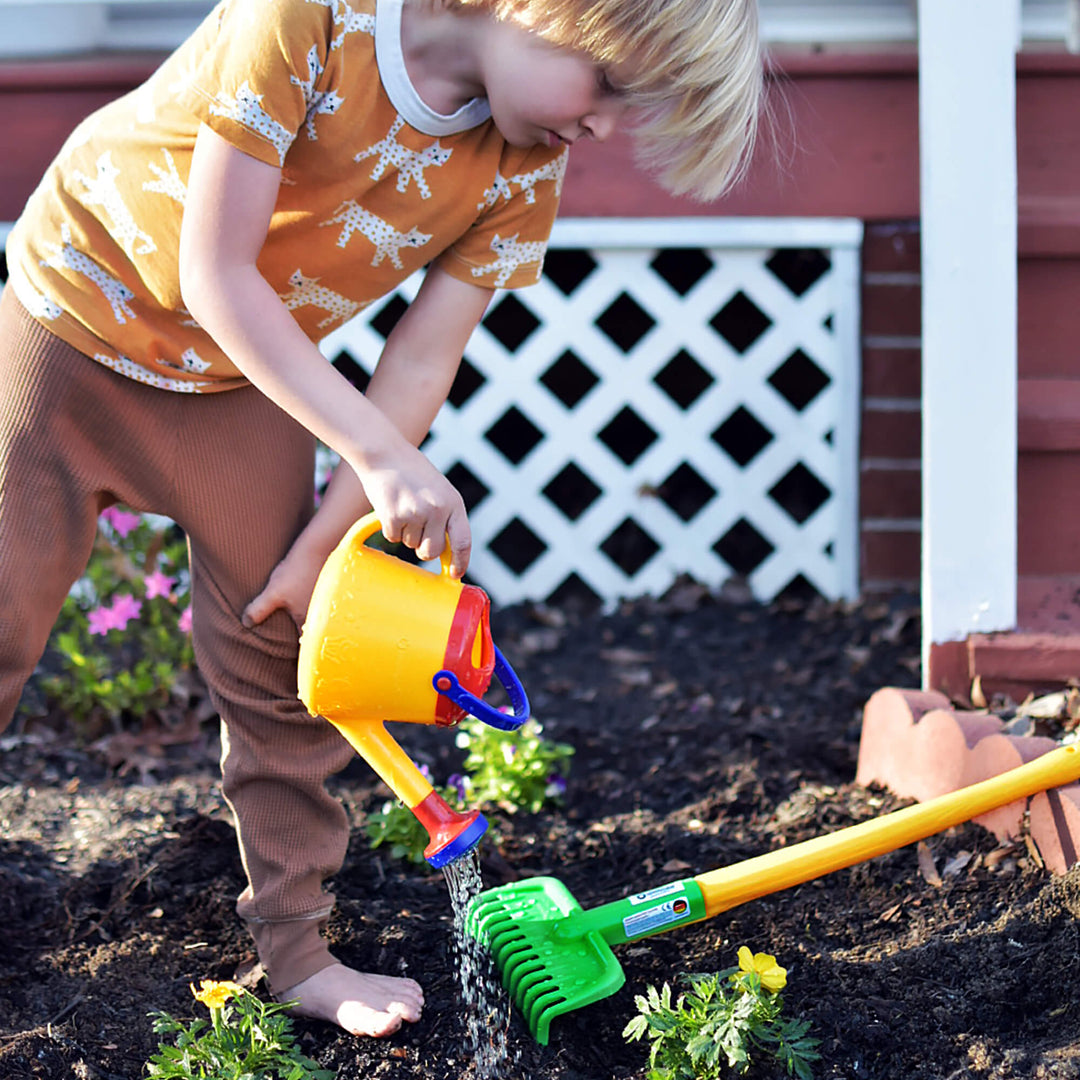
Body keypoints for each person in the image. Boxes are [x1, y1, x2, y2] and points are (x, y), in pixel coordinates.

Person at [0, 0, 763, 1041]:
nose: (603, 129)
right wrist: (379, 456)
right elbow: (213, 274)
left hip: (237, 385)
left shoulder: (522, 165)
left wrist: (321, 548)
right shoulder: (309, 19)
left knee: (283, 661)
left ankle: (297, 951)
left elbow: (420, 359)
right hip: (69, 320)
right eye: (612, 85)